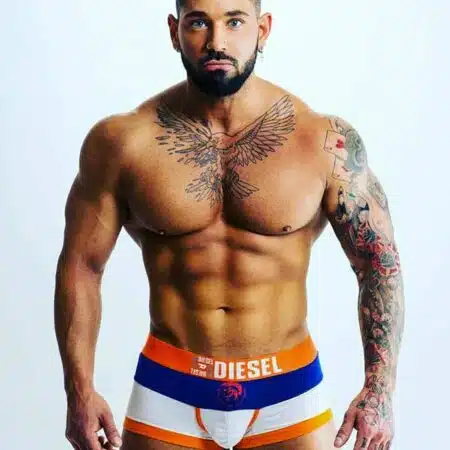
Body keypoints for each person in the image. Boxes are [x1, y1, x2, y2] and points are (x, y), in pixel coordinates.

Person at [54, 0, 405, 449]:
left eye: (234, 22)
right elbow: (82, 266)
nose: (217, 41)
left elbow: (377, 263)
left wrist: (379, 391)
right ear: (174, 31)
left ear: (263, 29)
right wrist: (79, 391)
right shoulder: (122, 142)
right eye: (198, 22)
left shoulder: (322, 141)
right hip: (168, 389)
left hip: (288, 392)